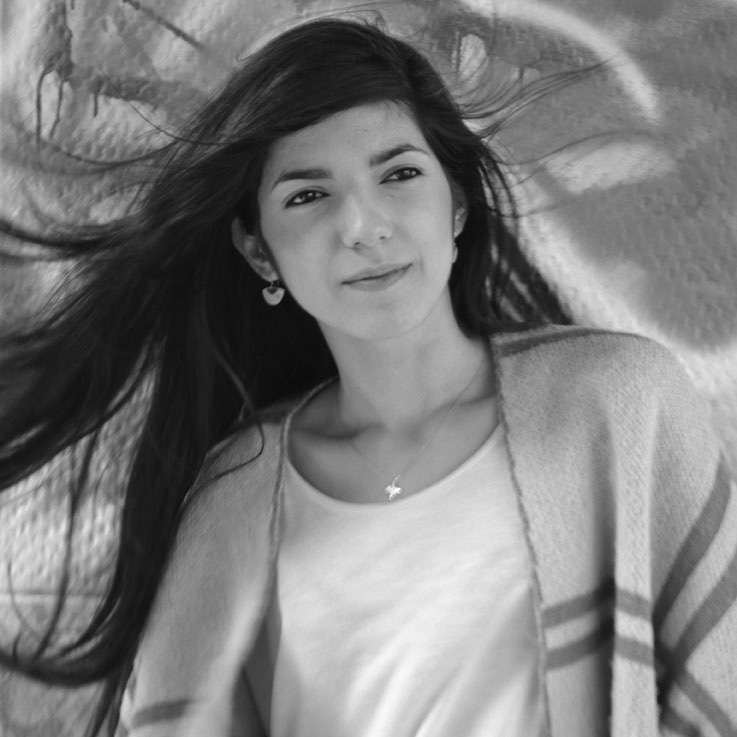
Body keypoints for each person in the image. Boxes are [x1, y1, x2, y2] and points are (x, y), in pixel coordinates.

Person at [1, 15, 735, 737]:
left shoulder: (616, 400)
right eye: (307, 195)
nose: (364, 225)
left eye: (400, 174)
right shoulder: (234, 492)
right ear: (259, 252)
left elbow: (722, 682)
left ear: (456, 204)